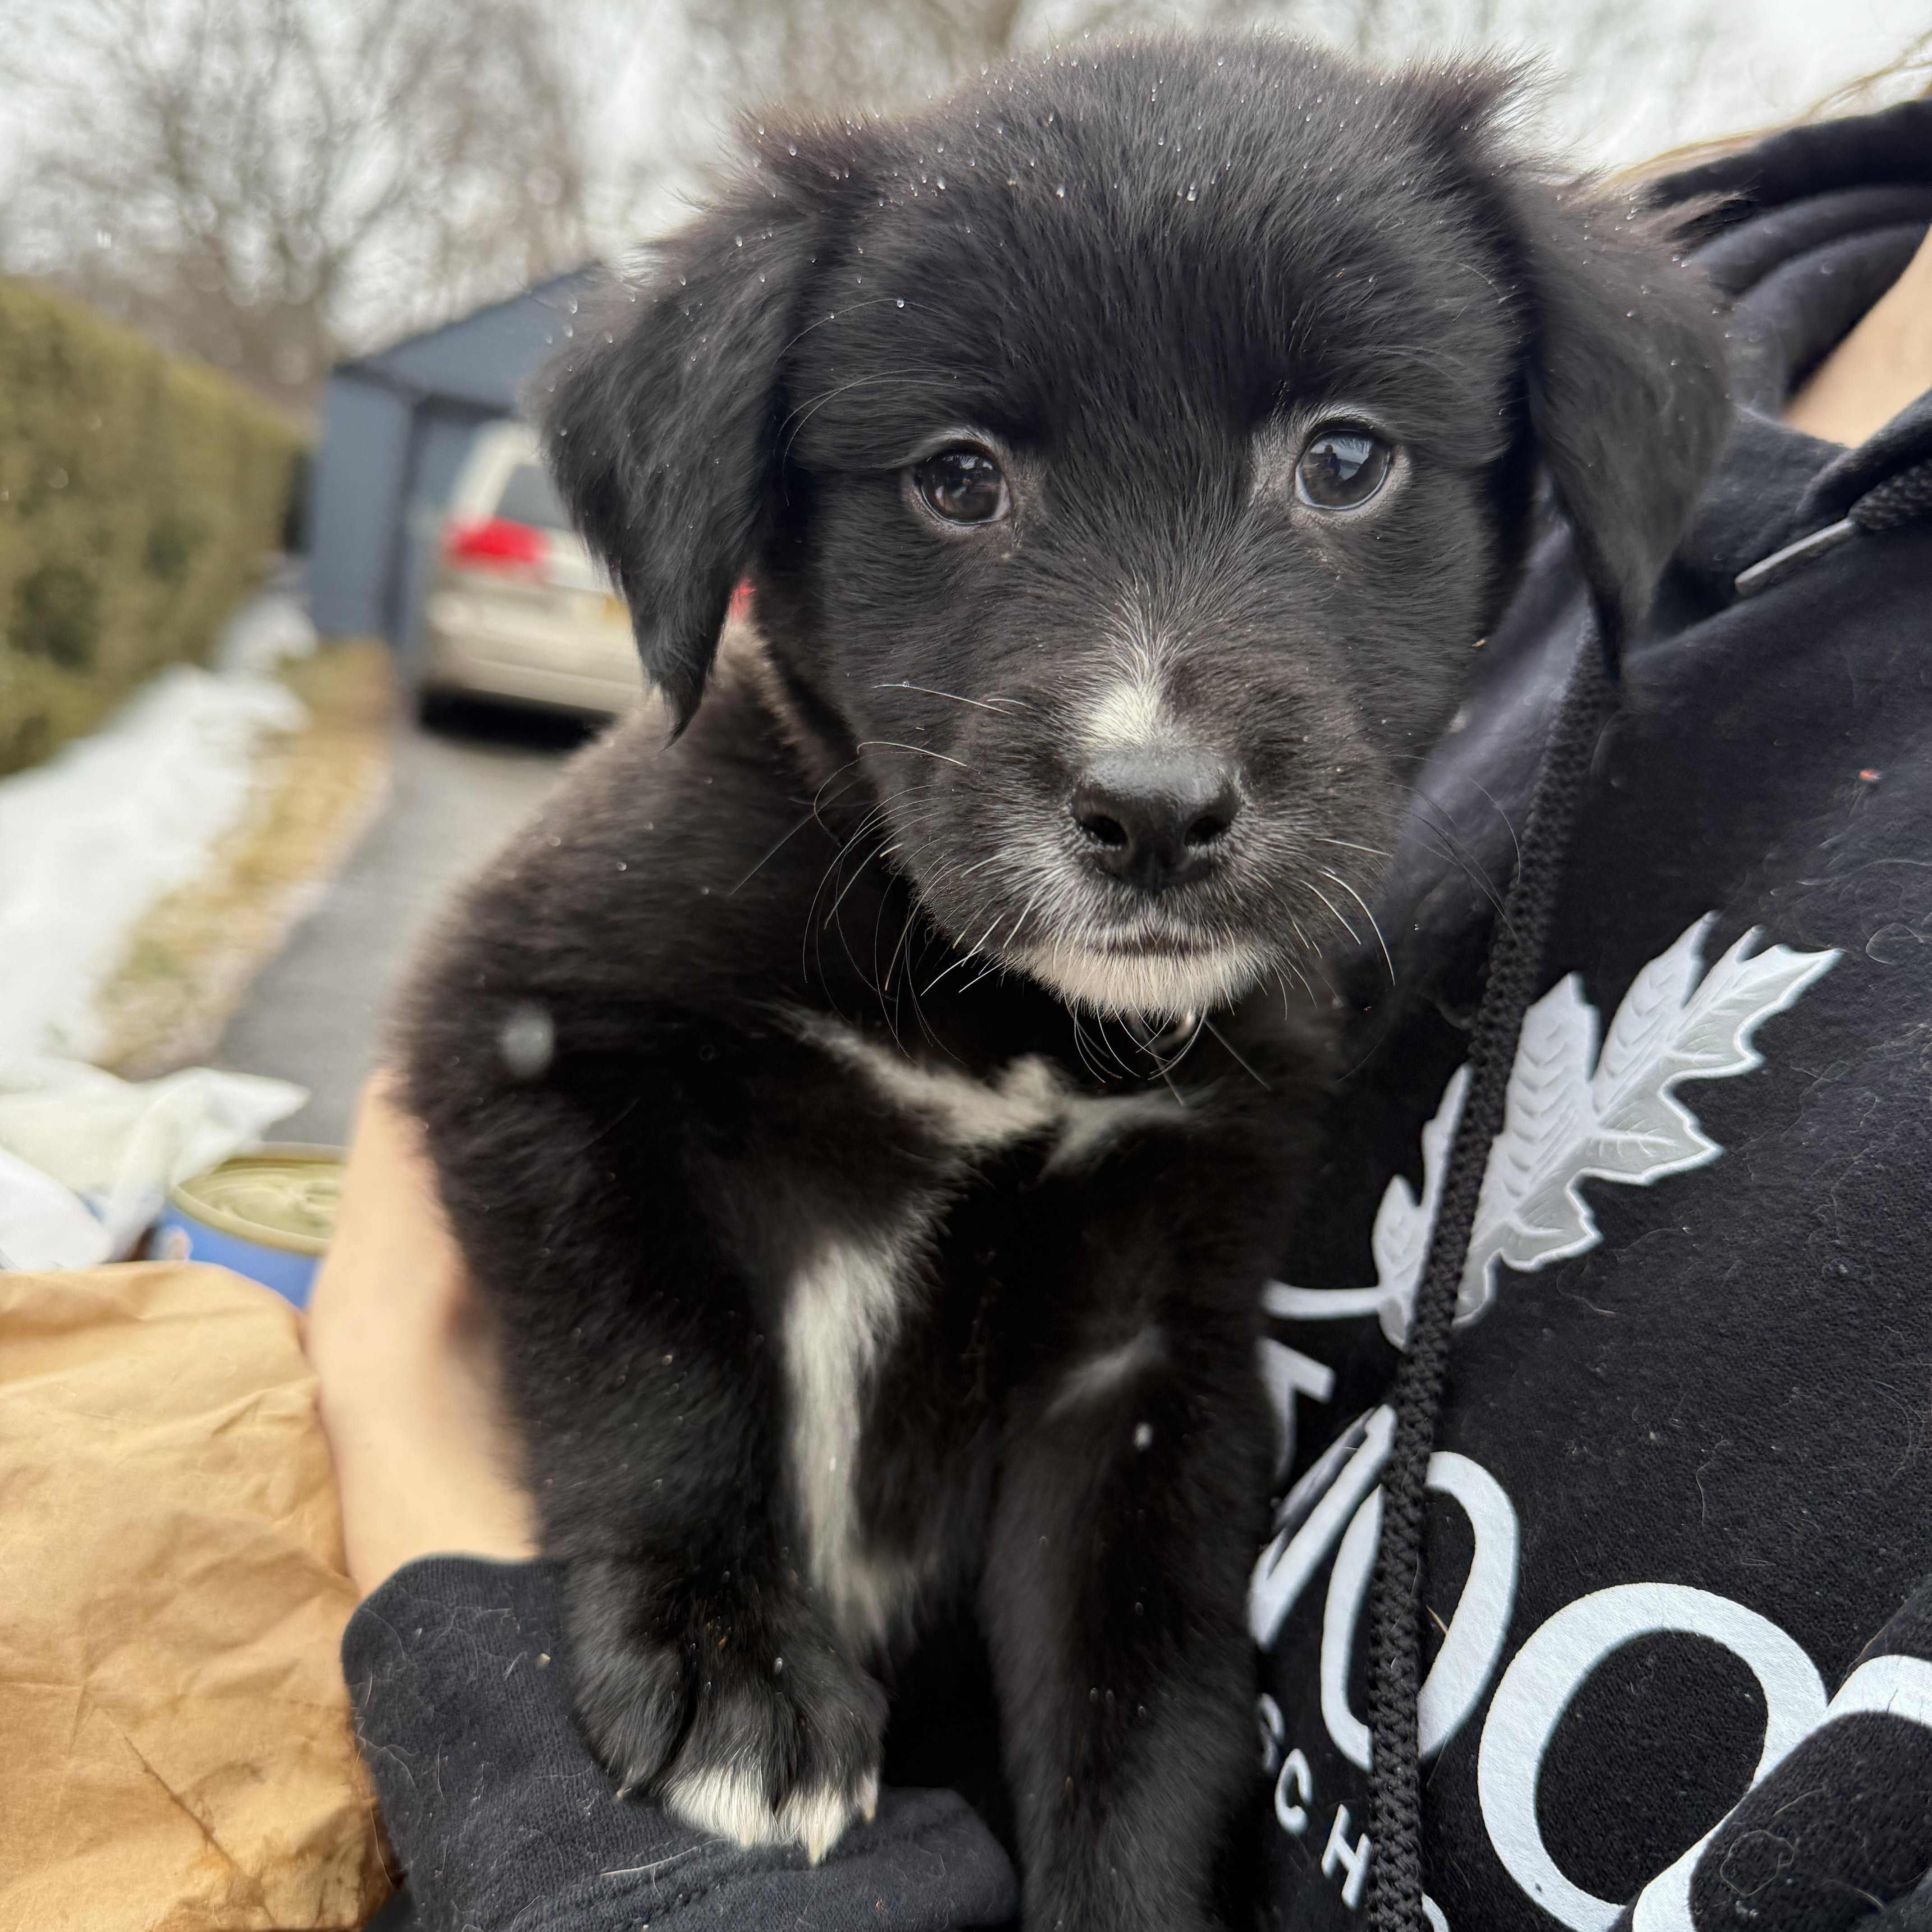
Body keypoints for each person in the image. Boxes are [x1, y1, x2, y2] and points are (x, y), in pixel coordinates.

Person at [306, 74, 1932, 1932]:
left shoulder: (1556, 363)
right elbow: (510, 1049)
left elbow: (1145, 1456)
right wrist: (680, 1546)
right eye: (960, 478)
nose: (1145, 744)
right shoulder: (716, 850)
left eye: (1343, 464)